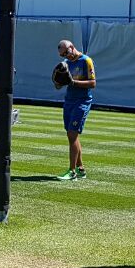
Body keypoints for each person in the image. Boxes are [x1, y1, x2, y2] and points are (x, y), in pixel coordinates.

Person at [57, 40, 95, 180]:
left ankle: (72, 171)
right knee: (71, 135)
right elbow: (59, 84)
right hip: (69, 101)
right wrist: (58, 82)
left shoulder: (86, 61)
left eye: (67, 52)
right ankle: (81, 169)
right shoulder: (66, 63)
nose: (66, 56)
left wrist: (73, 82)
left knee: (72, 134)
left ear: (72, 47)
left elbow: (93, 83)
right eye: (63, 55)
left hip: (82, 101)